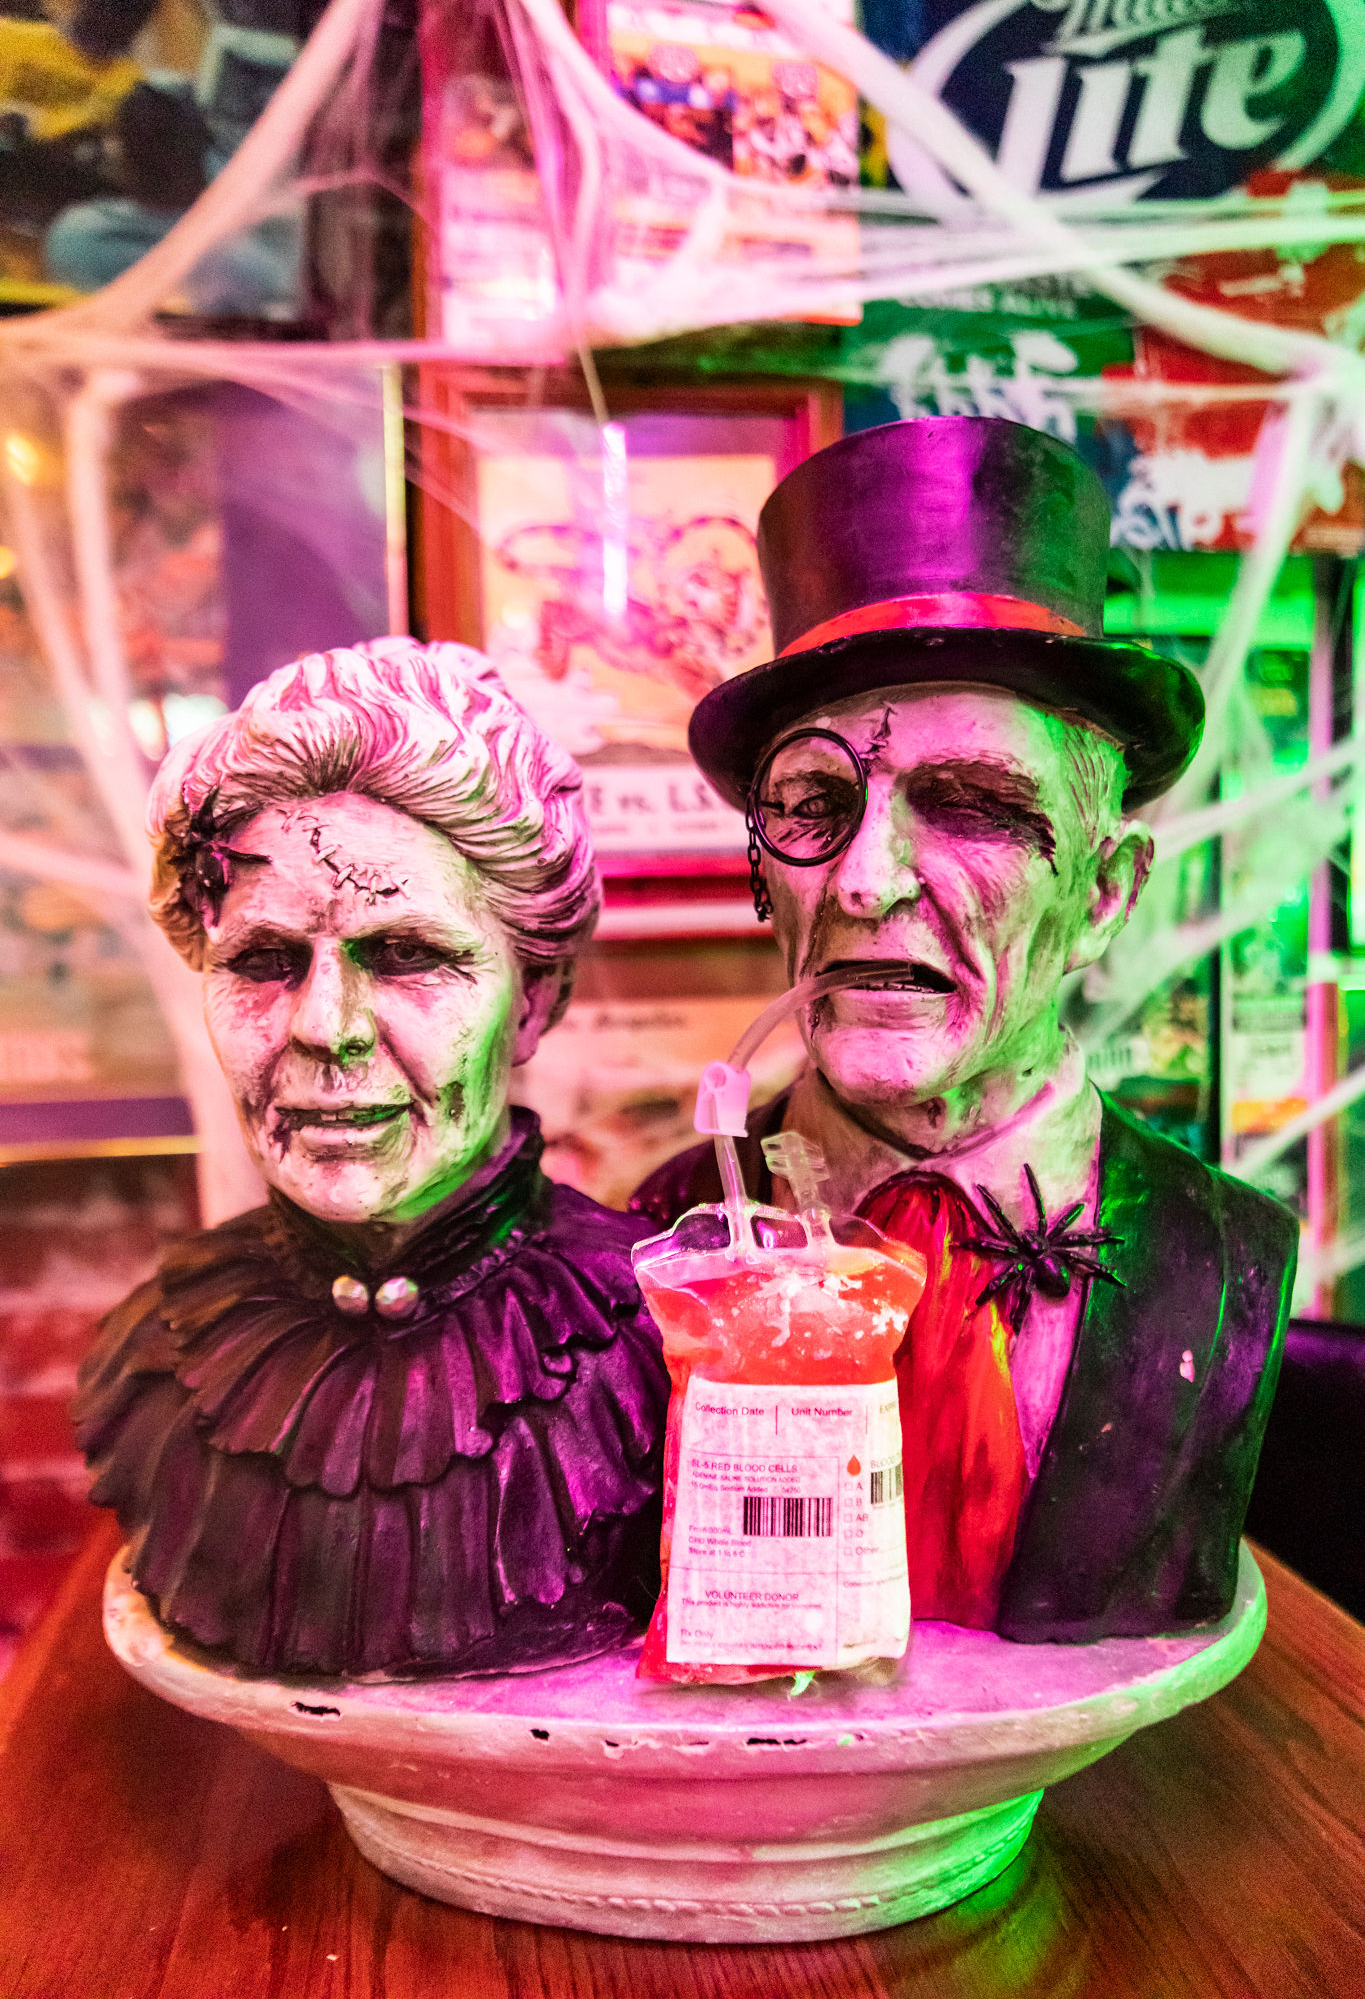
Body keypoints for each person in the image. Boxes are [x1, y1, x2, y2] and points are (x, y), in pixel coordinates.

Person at [634, 416, 1297, 1645]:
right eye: (814, 805)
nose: (865, 880)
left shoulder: (1220, 1255)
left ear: (1103, 894)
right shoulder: (660, 1237)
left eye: (975, 806)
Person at [75, 638, 668, 1678]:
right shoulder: (155, 1354)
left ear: (535, 1000)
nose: (325, 1028)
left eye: (404, 956)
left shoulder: (671, 1352)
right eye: (263, 960)